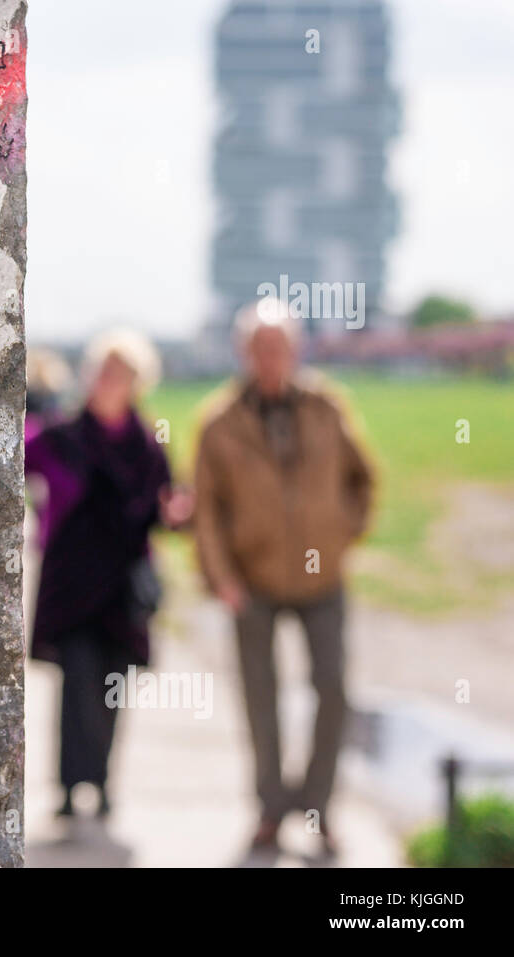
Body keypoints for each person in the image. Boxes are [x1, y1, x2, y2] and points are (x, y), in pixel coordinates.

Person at [193, 300, 374, 856]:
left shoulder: (327, 406)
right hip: (254, 582)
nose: (271, 357)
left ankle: (317, 806)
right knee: (260, 697)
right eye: (260, 347)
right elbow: (205, 512)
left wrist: (344, 534)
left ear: (295, 350)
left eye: (281, 346)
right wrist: (222, 579)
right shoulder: (220, 422)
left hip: (323, 580)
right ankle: (271, 808)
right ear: (245, 353)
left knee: (334, 690)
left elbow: (362, 478)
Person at [26, 330, 192, 818]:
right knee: (76, 682)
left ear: (137, 383)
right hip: (72, 583)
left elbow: (163, 509)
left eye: (119, 374)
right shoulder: (61, 435)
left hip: (121, 589)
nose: (108, 382)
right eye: (102, 372)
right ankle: (68, 788)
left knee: (113, 686)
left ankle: (100, 783)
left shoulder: (148, 445)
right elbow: (13, 456)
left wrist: (180, 514)